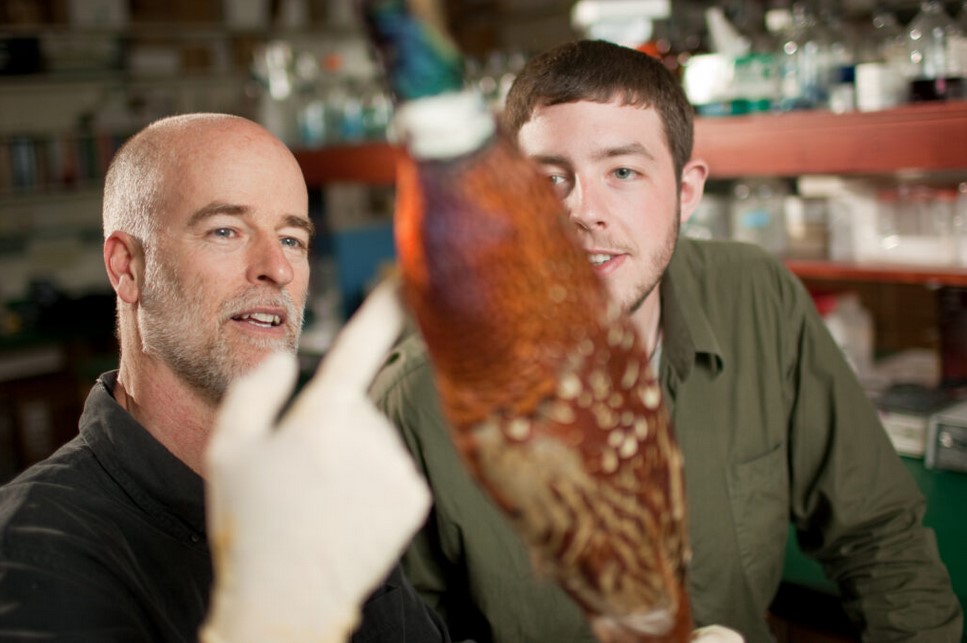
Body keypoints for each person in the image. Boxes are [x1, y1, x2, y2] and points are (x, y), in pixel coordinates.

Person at [370, 40, 964, 642]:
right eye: (550, 178)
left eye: (623, 172)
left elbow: (879, 538)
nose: (583, 210)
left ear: (686, 190)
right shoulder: (417, 400)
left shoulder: (755, 297)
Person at [0, 113, 448, 642]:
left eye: (291, 239)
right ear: (127, 268)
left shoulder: (317, 499)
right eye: (225, 231)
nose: (276, 269)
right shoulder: (35, 543)